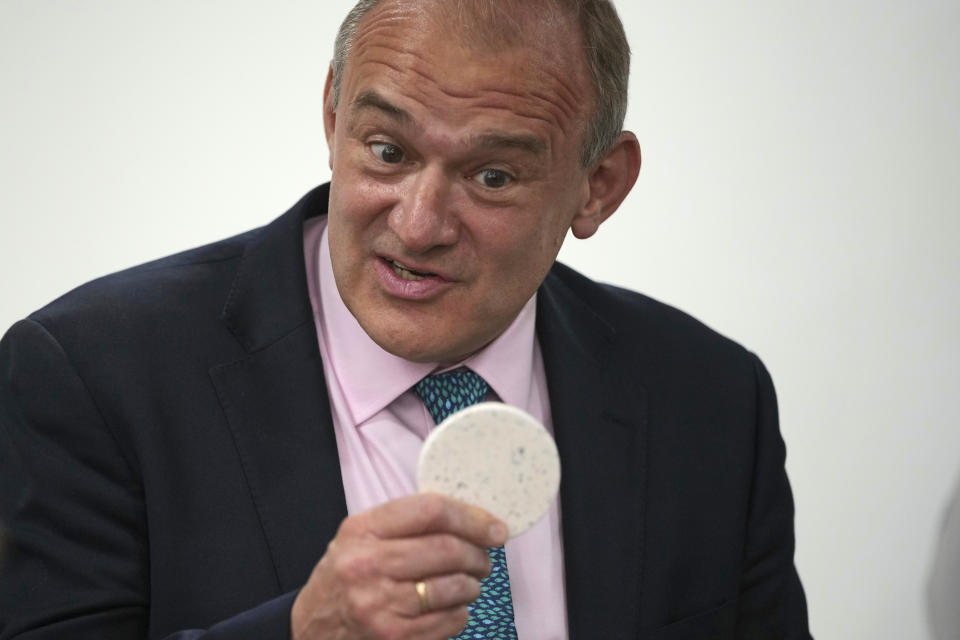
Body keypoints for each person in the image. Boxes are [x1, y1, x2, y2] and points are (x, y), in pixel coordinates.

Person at [0, 0, 812, 638]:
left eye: (492, 176)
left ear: (598, 186)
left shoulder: (710, 399)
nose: (419, 224)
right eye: (387, 151)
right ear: (333, 112)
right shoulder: (89, 376)